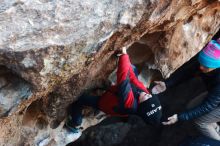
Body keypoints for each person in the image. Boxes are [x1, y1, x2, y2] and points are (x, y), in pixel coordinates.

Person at [66, 47, 162, 132]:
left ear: (142, 107)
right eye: (150, 96)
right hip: (115, 94)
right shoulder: (144, 94)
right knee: (132, 68)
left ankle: (75, 123)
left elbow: (123, 80)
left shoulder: (129, 105)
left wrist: (124, 56)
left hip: (104, 103)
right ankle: (105, 87)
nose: (148, 94)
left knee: (80, 99)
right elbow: (133, 79)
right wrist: (126, 61)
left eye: (148, 98)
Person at [151, 39, 220, 140]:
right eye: (201, 63)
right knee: (191, 106)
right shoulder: (208, 61)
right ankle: (217, 130)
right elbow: (188, 72)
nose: (201, 67)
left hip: (216, 99)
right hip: (215, 95)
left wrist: (180, 117)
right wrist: (167, 84)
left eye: (205, 66)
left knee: (201, 122)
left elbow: (208, 106)